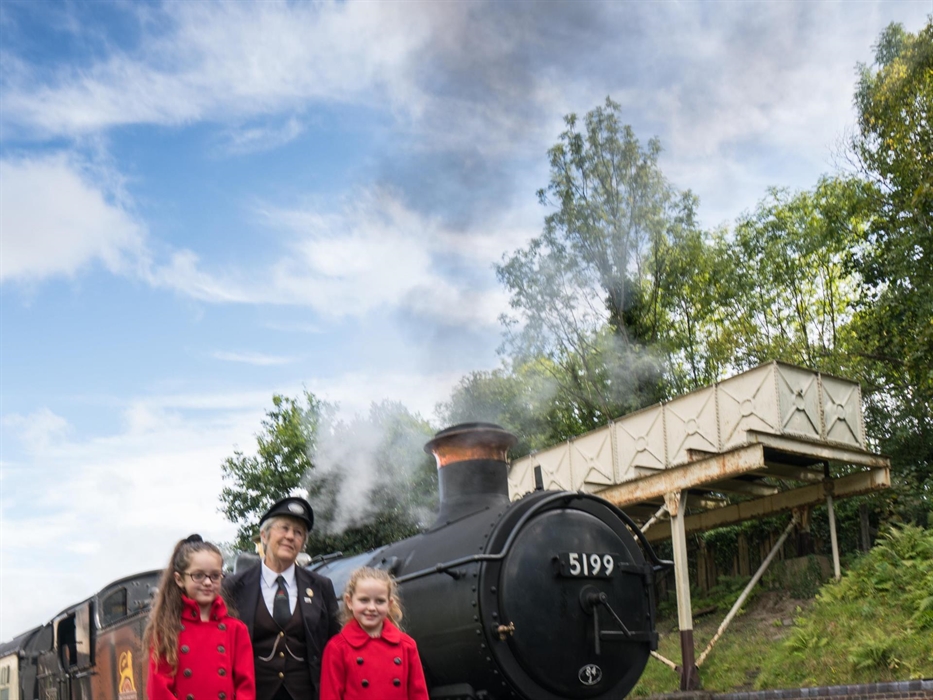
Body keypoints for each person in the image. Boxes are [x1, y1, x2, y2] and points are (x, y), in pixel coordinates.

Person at [223, 497, 340, 700]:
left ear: (303, 543)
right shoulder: (233, 587)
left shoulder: (321, 586)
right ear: (264, 536)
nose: (290, 536)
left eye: (298, 532)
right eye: (284, 528)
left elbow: (334, 643)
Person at [144, 535, 255, 700]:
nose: (208, 582)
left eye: (215, 576)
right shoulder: (166, 630)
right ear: (179, 579)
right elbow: (159, 690)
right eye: (198, 575)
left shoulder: (236, 629)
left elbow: (246, 687)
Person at [320, 567, 428, 700]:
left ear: (389, 604)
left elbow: (419, 694)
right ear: (349, 602)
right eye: (364, 600)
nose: (371, 608)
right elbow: (330, 696)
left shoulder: (407, 645)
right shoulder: (337, 648)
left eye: (380, 601)